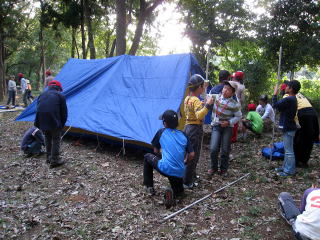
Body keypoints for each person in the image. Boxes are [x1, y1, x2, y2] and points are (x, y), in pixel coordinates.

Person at [143, 110, 194, 208]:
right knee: (180, 193)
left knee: (147, 157)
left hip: (165, 167)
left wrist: (163, 156)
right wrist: (185, 162)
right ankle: (174, 193)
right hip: (179, 171)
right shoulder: (183, 135)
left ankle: (149, 186)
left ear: (164, 123)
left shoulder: (161, 132)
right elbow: (191, 154)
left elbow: (156, 151)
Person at [183, 74, 214, 189]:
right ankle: (187, 182)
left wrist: (201, 105)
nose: (204, 88)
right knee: (193, 155)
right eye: (203, 86)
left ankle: (190, 175)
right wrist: (207, 105)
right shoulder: (196, 99)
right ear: (200, 87)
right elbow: (199, 116)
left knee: (187, 153)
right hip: (195, 129)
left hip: (187, 127)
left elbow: (191, 111)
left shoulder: (188, 98)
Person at [208, 81, 242, 176]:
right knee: (214, 148)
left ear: (232, 93)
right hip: (216, 125)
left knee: (225, 149)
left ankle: (223, 169)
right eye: (224, 88)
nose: (225, 90)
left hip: (227, 128)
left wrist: (228, 122)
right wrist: (205, 87)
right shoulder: (216, 97)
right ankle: (213, 167)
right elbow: (204, 96)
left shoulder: (235, 104)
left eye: (228, 89)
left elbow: (238, 116)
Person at [35, 80, 68, 168]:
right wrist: (61, 125)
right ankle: (55, 160)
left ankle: (48, 157)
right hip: (53, 120)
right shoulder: (60, 96)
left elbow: (38, 108)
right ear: (58, 88)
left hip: (41, 120)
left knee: (47, 137)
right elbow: (64, 113)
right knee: (56, 138)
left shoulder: (41, 95)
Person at [272, 80, 299, 177]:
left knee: (289, 151)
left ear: (291, 89)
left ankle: (288, 171)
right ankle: (285, 167)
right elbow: (280, 108)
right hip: (289, 127)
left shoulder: (289, 99)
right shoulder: (292, 99)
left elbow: (275, 105)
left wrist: (275, 94)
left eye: (287, 86)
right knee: (288, 150)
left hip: (289, 127)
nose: (285, 87)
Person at [291, 92, 319, 168]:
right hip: (313, 113)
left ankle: (296, 161)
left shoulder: (288, 94)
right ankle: (304, 161)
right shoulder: (300, 94)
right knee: (310, 137)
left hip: (302, 114)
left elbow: (289, 110)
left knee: (298, 138)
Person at [230, 71, 245, 143]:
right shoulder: (242, 87)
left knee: (228, 119)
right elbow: (242, 99)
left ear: (235, 76)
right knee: (235, 122)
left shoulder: (231, 83)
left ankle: (226, 136)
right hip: (237, 104)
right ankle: (233, 138)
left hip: (229, 103)